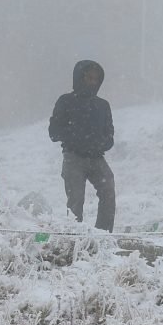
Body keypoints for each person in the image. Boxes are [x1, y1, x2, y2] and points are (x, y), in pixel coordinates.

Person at [48, 59, 115, 230]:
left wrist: (100, 144)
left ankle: (103, 235)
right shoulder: (65, 101)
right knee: (76, 199)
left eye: (95, 79)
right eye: (88, 78)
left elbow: (109, 134)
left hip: (97, 157)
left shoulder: (103, 105)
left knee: (108, 191)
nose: (92, 82)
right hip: (73, 157)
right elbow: (54, 132)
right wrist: (77, 139)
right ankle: (74, 237)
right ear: (80, 78)